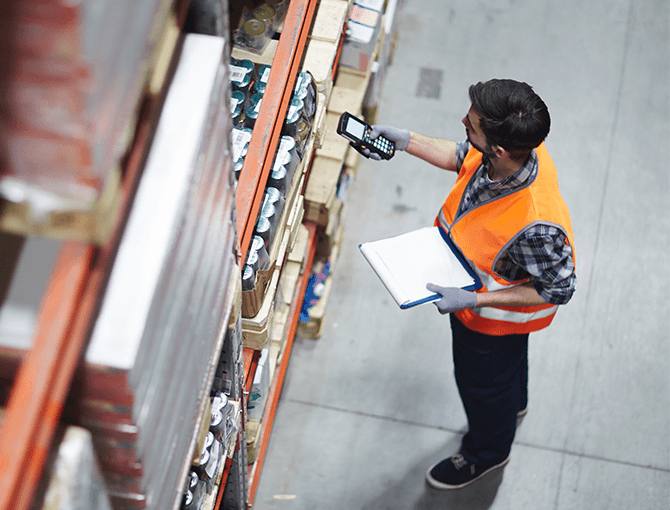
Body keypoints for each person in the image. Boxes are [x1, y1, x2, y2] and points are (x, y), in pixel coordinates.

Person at [366, 79, 576, 490]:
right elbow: (464, 156)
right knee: (507, 378)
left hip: (488, 323)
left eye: (472, 124)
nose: (463, 122)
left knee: (482, 387)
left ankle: (488, 453)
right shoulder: (515, 151)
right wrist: (407, 141)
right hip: (495, 322)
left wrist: (475, 299)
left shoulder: (537, 224)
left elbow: (560, 288)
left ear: (498, 149)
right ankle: (513, 404)